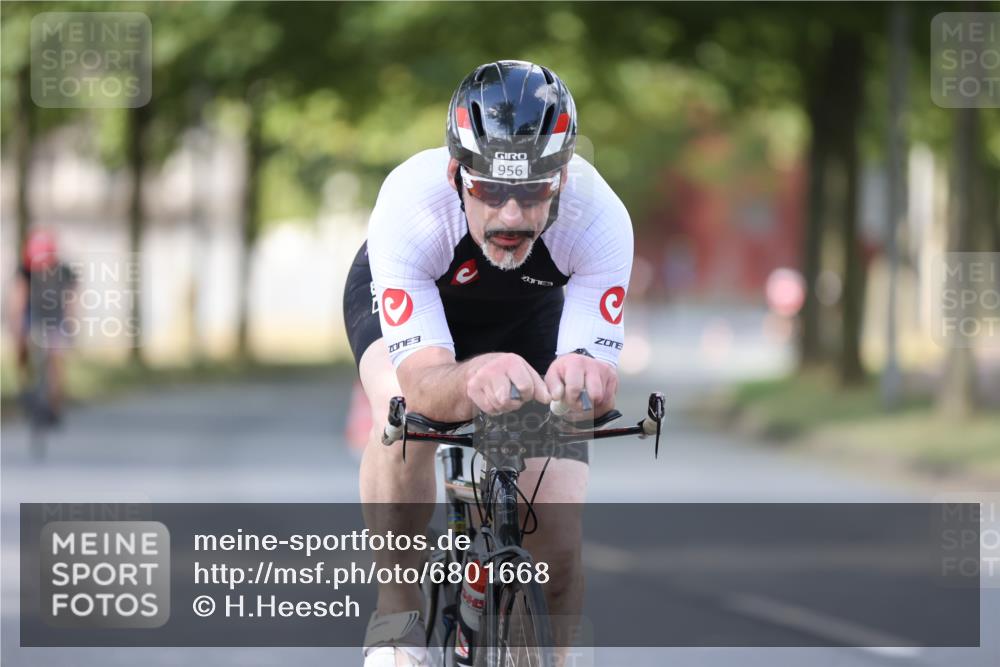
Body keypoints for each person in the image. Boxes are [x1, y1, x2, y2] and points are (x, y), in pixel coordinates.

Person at [342, 60, 633, 667]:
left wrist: (587, 383)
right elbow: (423, 383)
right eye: (489, 190)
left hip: (529, 313)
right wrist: (469, 377)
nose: (510, 215)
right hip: (423, 303)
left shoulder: (600, 221)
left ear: (562, 177)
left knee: (555, 531)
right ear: (456, 174)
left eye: (532, 192)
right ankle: (397, 625)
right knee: (403, 424)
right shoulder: (411, 206)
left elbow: (589, 383)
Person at [8, 228, 77, 424]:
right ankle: (23, 383)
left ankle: (55, 405)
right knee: (21, 344)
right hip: (33, 314)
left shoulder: (64, 271)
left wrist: (71, 325)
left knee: (56, 357)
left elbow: (72, 300)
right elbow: (18, 300)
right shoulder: (25, 271)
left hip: (56, 317)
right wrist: (17, 325)